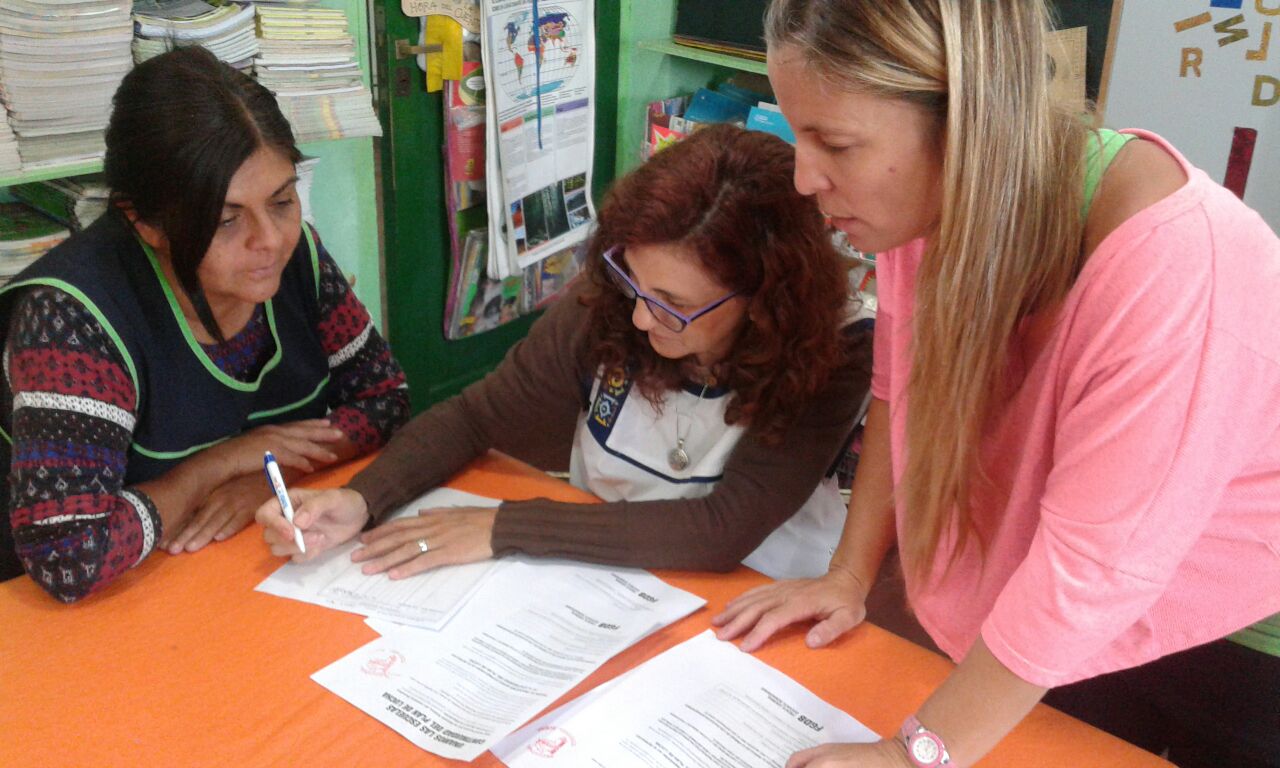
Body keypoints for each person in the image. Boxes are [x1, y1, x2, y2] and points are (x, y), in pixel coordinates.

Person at [711, 2, 1280, 767]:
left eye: (835, 143)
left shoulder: (1177, 269)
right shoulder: (928, 204)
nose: (804, 178)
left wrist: (914, 754)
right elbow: (900, 392)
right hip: (1042, 606)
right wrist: (848, 574)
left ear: (968, 125)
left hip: (1212, 635)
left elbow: (1091, 576)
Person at [257, 124, 871, 580]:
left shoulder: (839, 348)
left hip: (759, 586)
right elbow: (473, 418)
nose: (640, 317)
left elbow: (721, 529)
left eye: (673, 304)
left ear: (764, 300)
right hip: (609, 570)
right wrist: (362, 499)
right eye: (634, 281)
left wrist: (506, 526)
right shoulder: (614, 303)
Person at [0, 46, 410, 603]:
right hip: (99, 607)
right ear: (145, 223)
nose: (270, 239)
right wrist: (211, 470)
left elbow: (385, 399)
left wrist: (267, 478)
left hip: (241, 570)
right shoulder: (71, 320)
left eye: (282, 200)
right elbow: (70, 557)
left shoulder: (294, 258)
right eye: (226, 220)